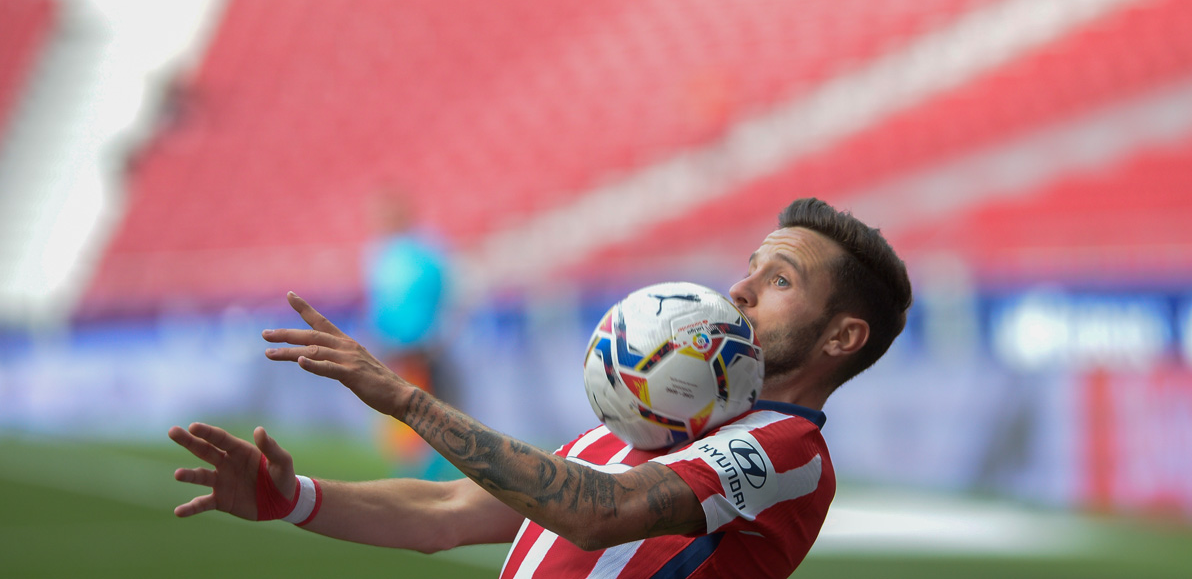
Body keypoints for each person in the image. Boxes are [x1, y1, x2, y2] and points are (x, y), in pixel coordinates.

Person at [170, 197, 912, 578]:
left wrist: (406, 399)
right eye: (751, 266)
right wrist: (293, 498)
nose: (741, 288)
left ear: (842, 337)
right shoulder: (660, 421)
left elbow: (600, 512)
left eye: (778, 280)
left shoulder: (788, 453)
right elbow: (446, 509)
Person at [362, 187, 456, 478]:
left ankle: (431, 475)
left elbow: (443, 298)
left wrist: (430, 340)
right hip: (393, 351)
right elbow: (380, 305)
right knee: (399, 420)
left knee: (428, 415)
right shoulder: (379, 255)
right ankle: (413, 474)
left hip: (421, 350)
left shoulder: (424, 252)